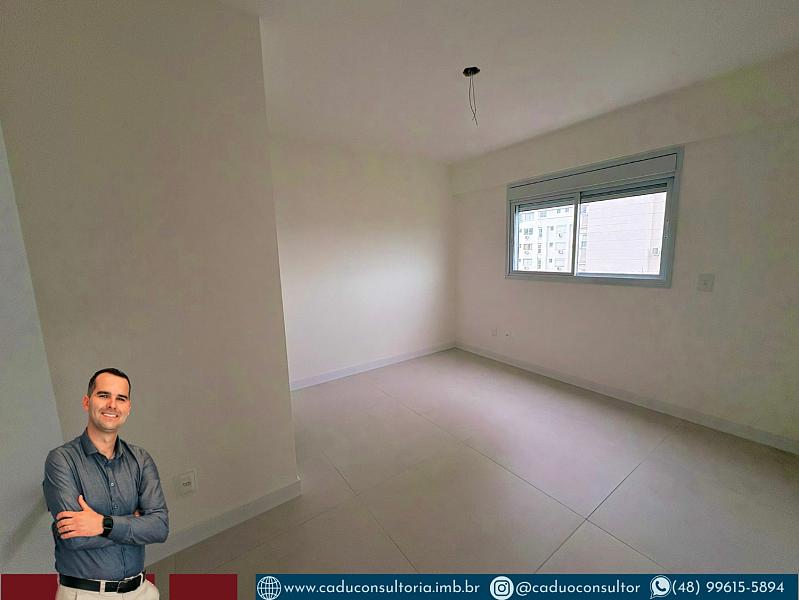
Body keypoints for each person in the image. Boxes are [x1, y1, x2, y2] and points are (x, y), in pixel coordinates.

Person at [43, 368, 169, 599]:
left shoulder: (140, 459)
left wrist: (103, 524)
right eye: (103, 395)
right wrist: (135, 523)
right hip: (86, 594)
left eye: (121, 398)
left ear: (128, 408)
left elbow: (159, 527)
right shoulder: (61, 460)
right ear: (86, 402)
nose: (112, 405)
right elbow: (76, 537)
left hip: (141, 591)